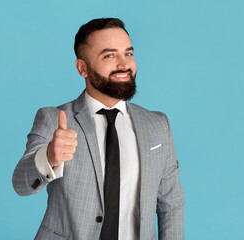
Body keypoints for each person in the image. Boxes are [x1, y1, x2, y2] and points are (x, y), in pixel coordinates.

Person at [12, 18, 185, 240]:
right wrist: (48, 156)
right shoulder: (54, 119)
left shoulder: (158, 125)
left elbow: (171, 205)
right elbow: (21, 184)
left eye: (129, 53)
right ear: (83, 68)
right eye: (109, 55)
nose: (124, 64)